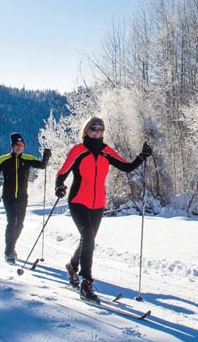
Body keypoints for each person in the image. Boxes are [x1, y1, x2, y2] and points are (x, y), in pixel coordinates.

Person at [54, 117, 152, 301]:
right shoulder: (78, 151)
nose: (97, 132)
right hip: (78, 200)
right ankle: (86, 282)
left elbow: (127, 167)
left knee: (88, 238)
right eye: (94, 128)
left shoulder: (106, 151)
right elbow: (62, 172)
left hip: (98, 203)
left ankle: (72, 265)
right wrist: (59, 186)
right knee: (88, 236)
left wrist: (142, 156)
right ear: (86, 131)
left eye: (101, 129)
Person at [0, 132, 51, 264]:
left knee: (19, 225)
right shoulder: (3, 160)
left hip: (22, 197)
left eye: (22, 145)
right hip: (8, 196)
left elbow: (42, 166)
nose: (19, 147)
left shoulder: (27, 159)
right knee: (12, 221)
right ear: (12, 146)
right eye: (17, 145)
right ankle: (8, 251)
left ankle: (12, 247)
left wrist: (46, 156)